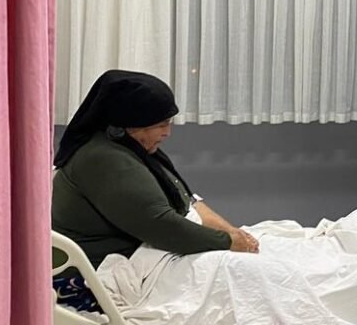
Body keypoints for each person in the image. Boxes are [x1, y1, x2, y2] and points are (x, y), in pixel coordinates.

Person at [52, 70, 258, 269]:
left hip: (148, 252)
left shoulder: (134, 148)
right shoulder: (103, 158)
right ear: (132, 124)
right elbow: (162, 226)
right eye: (161, 124)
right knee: (249, 272)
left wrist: (234, 234)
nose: (167, 132)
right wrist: (227, 242)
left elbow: (188, 202)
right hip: (103, 267)